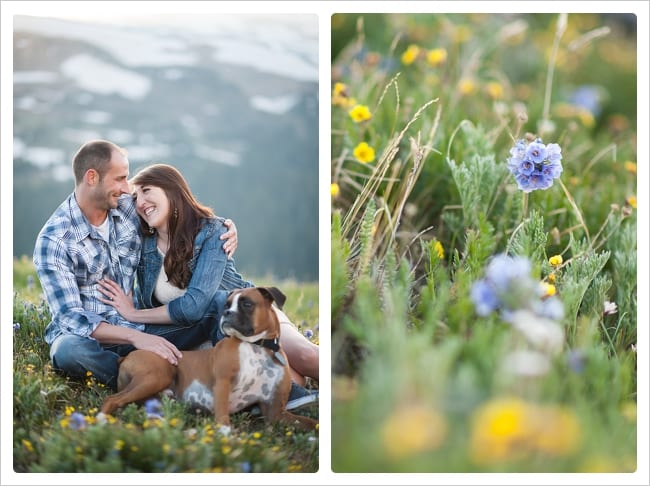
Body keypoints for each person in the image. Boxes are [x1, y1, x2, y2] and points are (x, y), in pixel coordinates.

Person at [33, 139, 237, 390]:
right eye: (120, 179)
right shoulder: (54, 241)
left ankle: (231, 386)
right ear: (92, 177)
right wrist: (136, 337)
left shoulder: (128, 207)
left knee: (218, 304)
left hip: (141, 327)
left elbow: (175, 208)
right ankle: (154, 378)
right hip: (95, 341)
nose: (127, 188)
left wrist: (223, 227)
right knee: (67, 351)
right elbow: (72, 319)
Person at [96, 163, 319, 389]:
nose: (140, 203)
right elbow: (101, 207)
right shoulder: (141, 243)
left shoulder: (212, 231)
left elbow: (194, 305)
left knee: (305, 355)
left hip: (246, 315)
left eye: (146, 191)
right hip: (203, 340)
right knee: (292, 381)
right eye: (135, 198)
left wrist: (134, 314)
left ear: (172, 190)